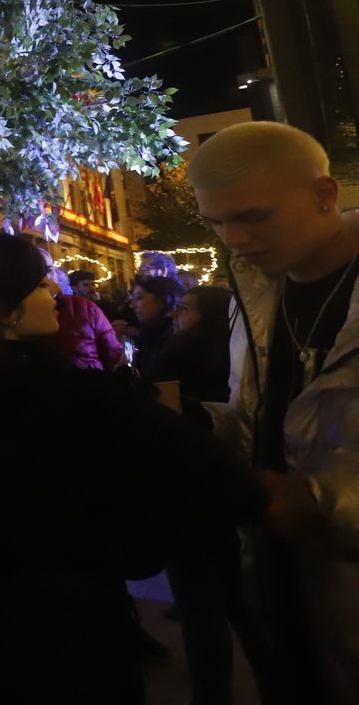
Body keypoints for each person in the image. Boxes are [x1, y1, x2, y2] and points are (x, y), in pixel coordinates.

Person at [0, 233, 268, 705]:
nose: (55, 292)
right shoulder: (66, 392)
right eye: (37, 285)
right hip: (68, 624)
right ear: (2, 309)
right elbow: (207, 471)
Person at [190, 120, 359, 701]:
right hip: (283, 588)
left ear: (323, 196)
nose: (233, 238)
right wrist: (192, 425)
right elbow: (269, 419)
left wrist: (323, 502)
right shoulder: (258, 295)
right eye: (216, 223)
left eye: (253, 216)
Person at [156, 284, 283, 705]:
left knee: (201, 606)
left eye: (186, 309)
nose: (178, 316)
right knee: (237, 599)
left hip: (190, 488)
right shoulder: (229, 351)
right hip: (227, 485)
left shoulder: (179, 354)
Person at [46, 262, 125, 371]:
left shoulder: (105, 307)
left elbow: (114, 354)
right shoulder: (75, 309)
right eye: (86, 285)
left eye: (93, 284)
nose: (91, 288)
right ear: (73, 288)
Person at [118, 275, 185, 379]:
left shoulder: (174, 338)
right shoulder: (149, 333)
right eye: (133, 298)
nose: (132, 305)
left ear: (162, 300)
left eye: (139, 298)